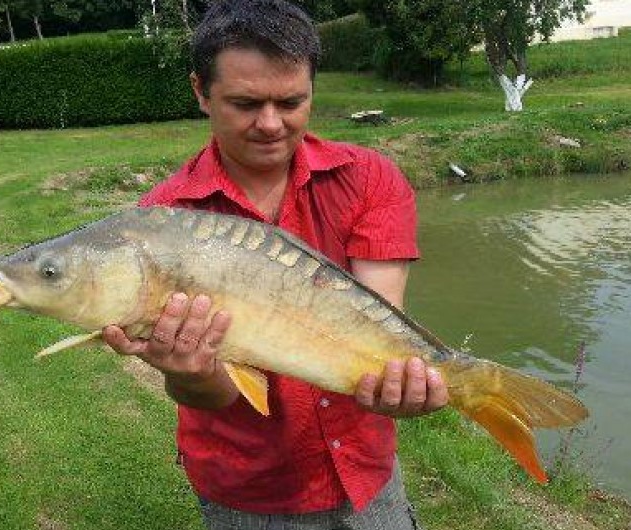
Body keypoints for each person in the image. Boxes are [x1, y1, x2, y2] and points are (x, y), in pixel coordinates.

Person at [102, 1, 449, 528]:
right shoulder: (157, 227)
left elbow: (379, 324)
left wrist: (401, 382)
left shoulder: (371, 179)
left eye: (291, 102)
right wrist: (189, 376)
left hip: (367, 473)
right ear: (201, 91)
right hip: (248, 490)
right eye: (245, 103)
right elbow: (211, 396)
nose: (270, 124)